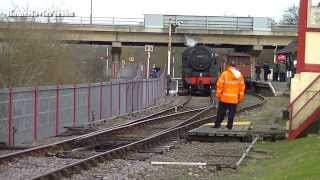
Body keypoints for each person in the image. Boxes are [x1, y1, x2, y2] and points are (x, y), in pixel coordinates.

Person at [213, 61, 245, 130]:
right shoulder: (239, 75)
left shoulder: (224, 74)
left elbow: (219, 85)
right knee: (232, 113)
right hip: (234, 99)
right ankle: (229, 126)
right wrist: (240, 98)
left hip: (224, 98)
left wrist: (218, 95)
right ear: (235, 66)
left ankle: (217, 124)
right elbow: (242, 88)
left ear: (229, 66)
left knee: (221, 112)